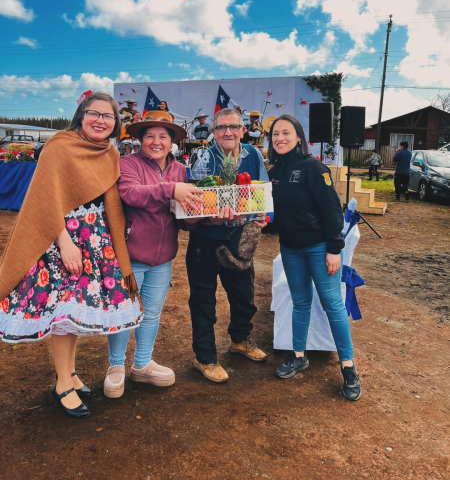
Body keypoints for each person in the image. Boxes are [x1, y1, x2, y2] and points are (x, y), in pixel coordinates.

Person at [0, 92, 143, 418]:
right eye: (94, 113)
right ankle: (63, 383)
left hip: (96, 241)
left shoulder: (110, 152)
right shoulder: (59, 146)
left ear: (115, 123)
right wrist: (64, 243)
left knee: (75, 311)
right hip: (63, 240)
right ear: (81, 115)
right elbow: (45, 199)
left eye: (108, 116)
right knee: (64, 313)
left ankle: (71, 373)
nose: (101, 121)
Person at [104, 111, 203, 397]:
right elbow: (131, 193)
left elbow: (181, 216)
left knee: (151, 313)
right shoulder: (128, 163)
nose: (156, 142)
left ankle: (142, 364)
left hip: (163, 259)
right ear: (140, 139)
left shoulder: (180, 170)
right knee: (124, 312)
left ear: (172, 142)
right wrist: (171, 189)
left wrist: (201, 216)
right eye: (149, 136)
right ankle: (116, 366)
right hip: (130, 257)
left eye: (163, 136)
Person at [267, 114, 361, 401]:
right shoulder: (275, 171)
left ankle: (348, 367)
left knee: (332, 304)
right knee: (300, 302)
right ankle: (298, 356)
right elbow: (279, 213)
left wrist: (334, 249)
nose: (280, 138)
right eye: (275, 134)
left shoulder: (313, 167)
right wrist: (264, 221)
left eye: (286, 132)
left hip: (320, 248)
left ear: (299, 137)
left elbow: (332, 210)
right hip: (290, 249)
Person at [187, 107, 269, 384]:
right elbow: (192, 197)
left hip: (240, 238)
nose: (228, 132)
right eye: (221, 127)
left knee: (244, 295)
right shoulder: (203, 157)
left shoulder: (253, 154)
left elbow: (262, 190)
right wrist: (207, 216)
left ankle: (240, 340)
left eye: (233, 126)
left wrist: (263, 216)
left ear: (243, 130)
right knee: (203, 300)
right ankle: (204, 358)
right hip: (206, 238)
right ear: (213, 132)